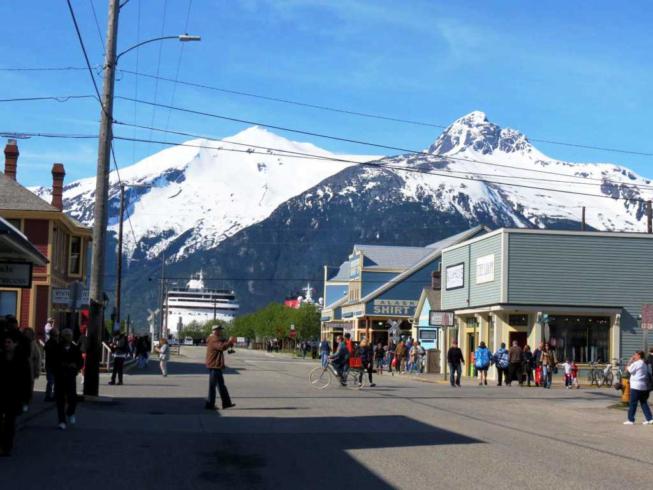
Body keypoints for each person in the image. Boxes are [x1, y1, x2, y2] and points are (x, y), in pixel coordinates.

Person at [0, 331, 31, 456]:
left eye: (9, 342)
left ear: (15, 344)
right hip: (1, 394)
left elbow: (26, 380)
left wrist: (26, 398)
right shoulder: (1, 357)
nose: (6, 344)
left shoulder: (21, 359)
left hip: (14, 395)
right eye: (5, 342)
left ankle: (6, 447)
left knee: (9, 422)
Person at [53, 328, 83, 430]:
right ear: (62, 336)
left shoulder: (75, 348)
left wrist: (75, 367)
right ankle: (62, 421)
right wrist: (59, 366)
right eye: (65, 335)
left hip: (70, 376)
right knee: (60, 399)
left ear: (72, 337)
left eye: (69, 335)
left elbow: (80, 362)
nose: (67, 337)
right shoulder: (57, 348)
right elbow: (52, 361)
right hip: (59, 376)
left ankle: (70, 412)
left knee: (72, 398)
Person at [204, 325, 236, 410]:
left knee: (221, 386)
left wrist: (229, 341)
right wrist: (229, 341)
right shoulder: (213, 339)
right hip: (214, 365)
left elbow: (222, 342)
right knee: (213, 386)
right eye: (219, 330)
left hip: (216, 365)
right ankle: (210, 405)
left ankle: (226, 403)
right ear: (215, 330)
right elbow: (222, 347)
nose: (221, 332)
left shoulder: (215, 338)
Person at [624, 350, 653, 425]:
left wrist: (630, 361)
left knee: (633, 403)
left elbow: (628, 370)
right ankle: (650, 419)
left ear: (639, 356)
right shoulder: (644, 363)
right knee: (643, 403)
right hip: (644, 386)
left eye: (635, 355)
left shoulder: (636, 363)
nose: (634, 356)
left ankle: (631, 420)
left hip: (636, 386)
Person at [22, 327, 41, 412]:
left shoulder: (33, 344)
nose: (27, 335)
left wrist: (37, 370)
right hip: (21, 368)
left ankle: (26, 402)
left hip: (30, 369)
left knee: (29, 387)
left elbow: (37, 358)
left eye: (29, 334)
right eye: (26, 333)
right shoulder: (20, 343)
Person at [44, 327, 59, 401]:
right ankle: (50, 395)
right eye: (56, 335)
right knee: (52, 381)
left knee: (51, 381)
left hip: (50, 364)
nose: (57, 337)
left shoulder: (49, 343)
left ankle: (50, 395)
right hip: (52, 364)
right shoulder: (54, 343)